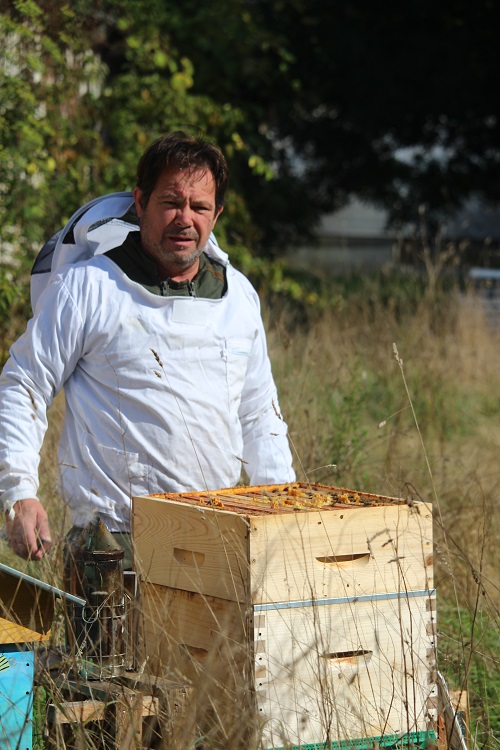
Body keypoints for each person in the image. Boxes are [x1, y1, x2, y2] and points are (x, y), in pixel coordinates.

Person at [0, 131, 295, 563]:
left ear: (217, 215)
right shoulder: (87, 287)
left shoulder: (239, 298)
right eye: (171, 202)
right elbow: (24, 383)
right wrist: (18, 492)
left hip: (218, 535)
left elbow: (259, 413)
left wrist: (281, 510)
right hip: (111, 543)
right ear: (140, 203)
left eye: (199, 207)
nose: (184, 218)